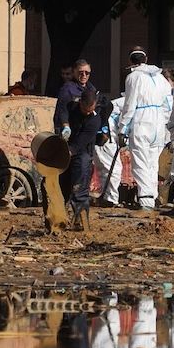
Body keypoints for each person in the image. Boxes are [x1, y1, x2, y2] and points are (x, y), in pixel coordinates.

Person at [116, 46, 173, 210]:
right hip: (159, 123)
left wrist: (122, 129)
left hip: (142, 121)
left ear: (131, 61)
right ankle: (153, 196)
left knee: (140, 162)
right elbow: (168, 103)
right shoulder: (160, 78)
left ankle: (146, 200)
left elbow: (129, 104)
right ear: (146, 59)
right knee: (153, 163)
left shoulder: (133, 77)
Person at [61, 87, 102, 227]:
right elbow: (62, 111)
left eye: (91, 109)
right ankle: (59, 217)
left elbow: (81, 142)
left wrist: (69, 152)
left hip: (82, 153)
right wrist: (65, 125)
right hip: (66, 148)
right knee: (62, 186)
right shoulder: (71, 108)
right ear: (80, 103)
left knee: (79, 188)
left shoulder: (95, 119)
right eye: (86, 109)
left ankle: (81, 220)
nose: (88, 112)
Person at [95, 95, 125, 206]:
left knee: (108, 170)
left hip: (109, 139)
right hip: (106, 140)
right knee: (112, 170)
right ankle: (110, 198)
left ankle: (108, 197)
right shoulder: (126, 103)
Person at [54, 59, 99, 133]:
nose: (84, 75)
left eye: (87, 73)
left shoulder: (92, 88)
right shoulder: (68, 88)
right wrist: (65, 126)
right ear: (74, 72)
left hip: (87, 128)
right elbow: (62, 109)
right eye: (80, 72)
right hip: (72, 129)